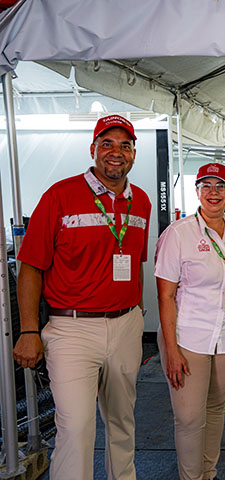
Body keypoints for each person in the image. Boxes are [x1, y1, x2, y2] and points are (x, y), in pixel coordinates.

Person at [13, 115, 151, 480]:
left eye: (124, 145)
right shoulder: (60, 195)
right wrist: (28, 331)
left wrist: (137, 314)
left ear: (133, 154)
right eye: (107, 144)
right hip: (72, 329)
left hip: (126, 324)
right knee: (76, 427)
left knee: (122, 422)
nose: (116, 152)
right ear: (93, 150)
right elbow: (30, 267)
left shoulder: (141, 202)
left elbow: (135, 262)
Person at [154, 163, 225, 480]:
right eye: (206, 185)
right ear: (197, 192)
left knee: (216, 409)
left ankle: (209, 472)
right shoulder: (178, 234)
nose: (213, 192)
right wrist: (171, 350)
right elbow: (165, 296)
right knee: (190, 418)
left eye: (220, 186)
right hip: (188, 339)